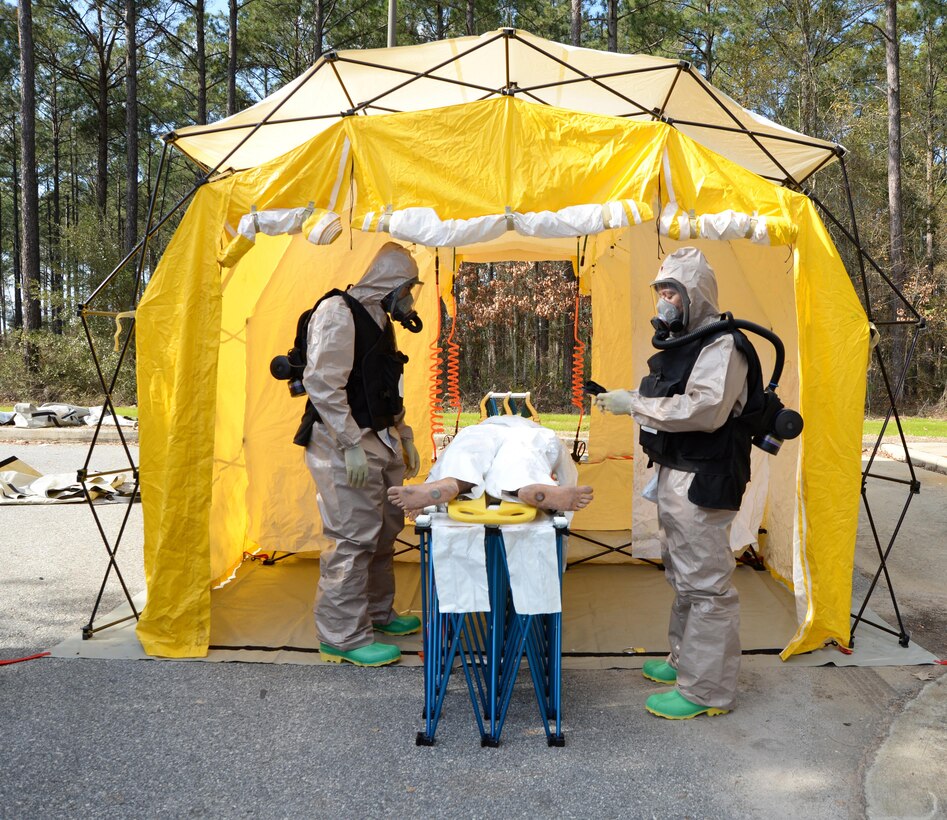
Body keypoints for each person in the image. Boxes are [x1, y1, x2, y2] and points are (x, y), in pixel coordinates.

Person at [594, 246, 764, 720]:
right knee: (684, 575)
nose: (663, 300)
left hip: (705, 480)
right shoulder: (687, 343)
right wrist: (632, 400)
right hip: (678, 475)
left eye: (672, 290)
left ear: (696, 294)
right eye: (660, 290)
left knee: (707, 585)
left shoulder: (723, 345)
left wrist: (637, 405)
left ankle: (706, 690)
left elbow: (706, 410)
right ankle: (685, 661)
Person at [297, 242, 424, 668]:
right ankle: (342, 637)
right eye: (407, 288)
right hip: (343, 441)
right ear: (389, 282)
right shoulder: (338, 311)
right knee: (352, 539)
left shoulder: (379, 318)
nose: (408, 299)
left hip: (379, 439)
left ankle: (376, 613)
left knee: (384, 531)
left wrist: (403, 433)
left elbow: (385, 384)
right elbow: (322, 383)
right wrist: (350, 443)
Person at [387, 415, 594, 516]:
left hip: (478, 434)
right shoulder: (535, 430)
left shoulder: (476, 430)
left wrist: (425, 498)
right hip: (528, 436)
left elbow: (444, 460)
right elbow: (568, 474)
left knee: (465, 457)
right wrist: (564, 519)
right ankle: (524, 487)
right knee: (521, 461)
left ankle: (455, 483)